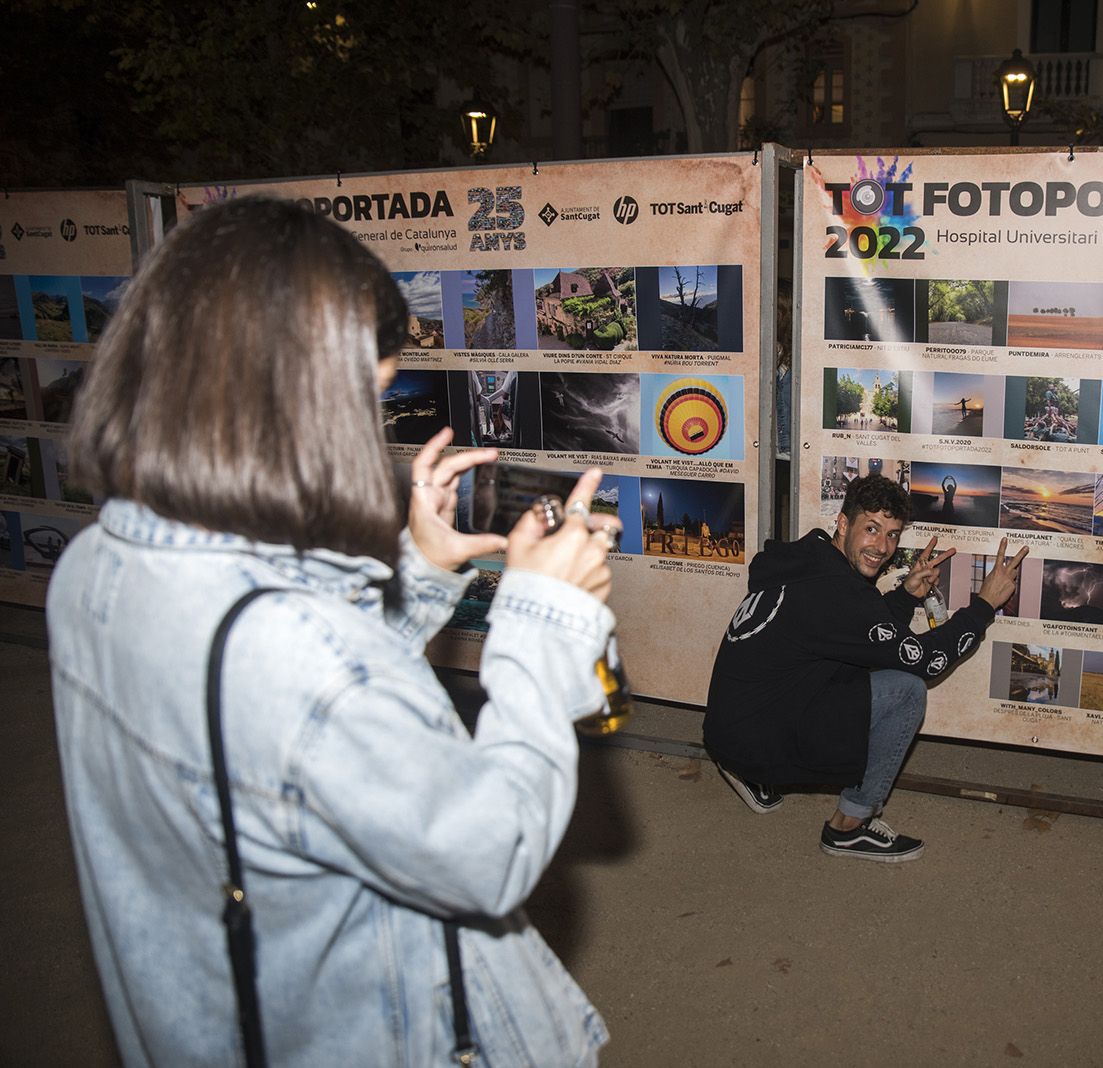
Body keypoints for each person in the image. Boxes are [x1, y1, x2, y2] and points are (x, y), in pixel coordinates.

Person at [47, 197, 617, 1065]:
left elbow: (291, 745)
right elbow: (487, 849)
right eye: (368, 396)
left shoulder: (96, 563)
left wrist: (420, 567)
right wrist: (541, 619)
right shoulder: (290, 651)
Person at [703, 474, 1027, 862]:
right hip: (752, 738)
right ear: (843, 523)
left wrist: (905, 597)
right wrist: (983, 606)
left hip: (728, 726)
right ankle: (848, 827)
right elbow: (926, 661)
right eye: (872, 529)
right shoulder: (839, 595)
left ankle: (749, 770)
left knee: (849, 669)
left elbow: (863, 636)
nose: (883, 547)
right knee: (907, 691)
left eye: (892, 534)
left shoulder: (808, 556)